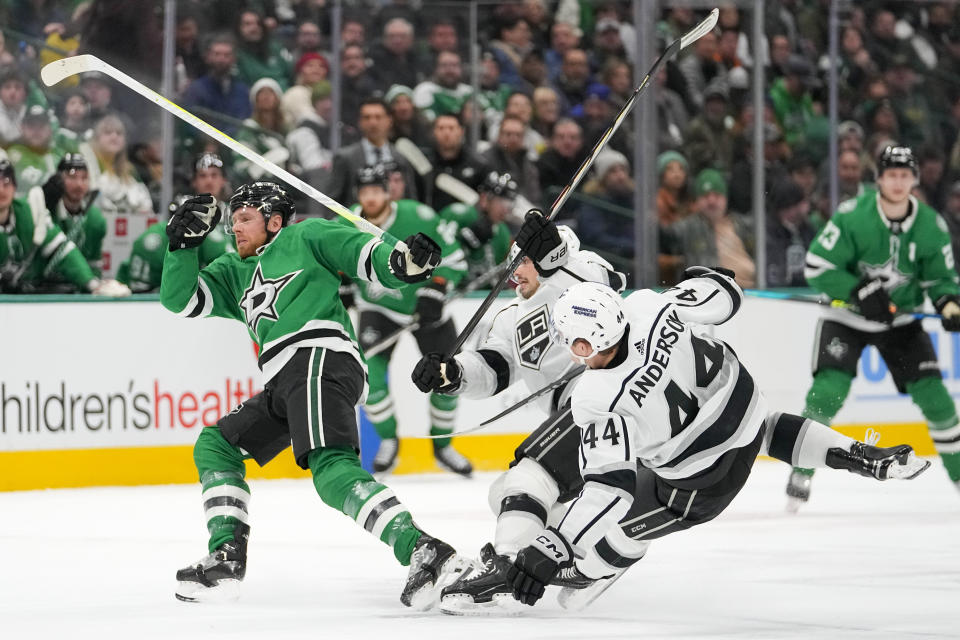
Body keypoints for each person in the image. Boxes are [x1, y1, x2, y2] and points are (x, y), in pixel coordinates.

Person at [504, 271, 930, 611]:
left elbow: (608, 490)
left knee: (620, 531)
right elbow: (726, 293)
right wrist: (711, 277)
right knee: (761, 428)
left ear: (583, 342)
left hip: (704, 483)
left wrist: (553, 545)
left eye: (570, 341)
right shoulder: (650, 305)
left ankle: (588, 574)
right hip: (747, 411)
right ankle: (854, 454)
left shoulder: (594, 397)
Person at [161, 181, 468, 607]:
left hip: (319, 357)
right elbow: (179, 300)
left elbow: (366, 254)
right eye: (232, 223)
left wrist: (405, 261)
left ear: (274, 220)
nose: (236, 230)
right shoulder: (233, 271)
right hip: (286, 379)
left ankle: (425, 551)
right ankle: (227, 556)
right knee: (216, 446)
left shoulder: (306, 235)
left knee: (331, 472)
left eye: (245, 219)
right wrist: (181, 247)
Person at [411, 212, 624, 613]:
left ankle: (506, 568)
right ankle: (598, 553)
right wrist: (452, 373)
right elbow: (492, 370)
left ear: (553, 256)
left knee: (529, 477)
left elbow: (611, 285)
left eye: (525, 260)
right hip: (575, 418)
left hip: (606, 397)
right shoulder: (508, 318)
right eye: (514, 261)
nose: (516, 271)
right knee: (506, 495)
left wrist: (554, 261)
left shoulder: (578, 275)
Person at [787, 146, 960, 508]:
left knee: (936, 399)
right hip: (847, 319)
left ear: (913, 179)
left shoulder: (931, 225)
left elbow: (940, 278)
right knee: (826, 392)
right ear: (879, 178)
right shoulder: (853, 216)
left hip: (900, 322)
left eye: (904, 174)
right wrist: (856, 289)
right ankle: (801, 470)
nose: (898, 181)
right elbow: (817, 266)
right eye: (891, 174)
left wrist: (949, 303)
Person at [340, 167, 472, 476]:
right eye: (365, 192)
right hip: (378, 308)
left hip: (426, 311)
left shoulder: (420, 217)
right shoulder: (348, 223)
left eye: (376, 190)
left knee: (447, 377)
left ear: (389, 192)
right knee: (369, 376)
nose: (371, 197)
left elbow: (455, 260)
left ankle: (443, 447)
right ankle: (389, 441)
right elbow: (333, 258)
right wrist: (343, 284)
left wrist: (436, 287)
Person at [0, 159, 126, 296]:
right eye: (72, 177)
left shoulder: (29, 211)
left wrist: (92, 284)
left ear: (14, 187)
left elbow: (62, 250)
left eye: (6, 183)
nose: (1, 189)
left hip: (29, 294)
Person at [117, 153, 234, 292]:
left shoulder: (236, 215)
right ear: (194, 181)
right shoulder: (184, 212)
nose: (209, 180)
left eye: (214, 175)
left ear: (223, 180)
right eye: (203, 176)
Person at [437, 171, 516, 283]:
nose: (506, 209)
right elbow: (435, 253)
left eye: (510, 204)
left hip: (481, 297)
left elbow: (499, 277)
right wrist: (462, 244)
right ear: (484, 199)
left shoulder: (503, 233)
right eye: (501, 202)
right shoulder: (458, 214)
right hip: (447, 290)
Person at [41, 153, 105, 289]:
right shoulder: (47, 211)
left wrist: (95, 287)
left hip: (81, 287)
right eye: (72, 177)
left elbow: (94, 265)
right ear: (58, 179)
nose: (79, 184)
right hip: (44, 288)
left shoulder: (95, 220)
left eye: (84, 178)